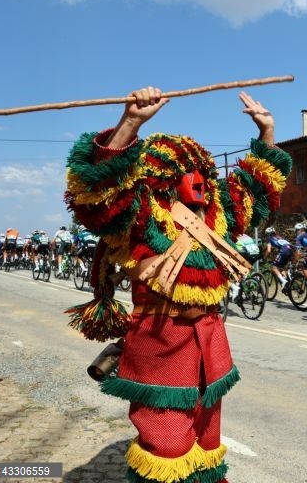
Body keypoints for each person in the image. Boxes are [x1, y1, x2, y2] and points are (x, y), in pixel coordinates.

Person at [64, 85, 291, 483]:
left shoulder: (218, 213)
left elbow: (257, 189)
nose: (199, 181)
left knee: (206, 443)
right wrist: (130, 122)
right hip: (161, 345)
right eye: (187, 173)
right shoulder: (139, 214)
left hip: (210, 344)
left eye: (202, 172)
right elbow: (97, 194)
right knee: (167, 449)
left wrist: (267, 133)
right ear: (162, 177)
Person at [263, 226, 294, 293]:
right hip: (291, 250)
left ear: (267, 234)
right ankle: (286, 284)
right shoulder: (279, 237)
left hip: (284, 250)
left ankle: (283, 281)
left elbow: (268, 251)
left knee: (274, 267)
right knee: (281, 267)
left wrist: (264, 258)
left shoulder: (269, 238)